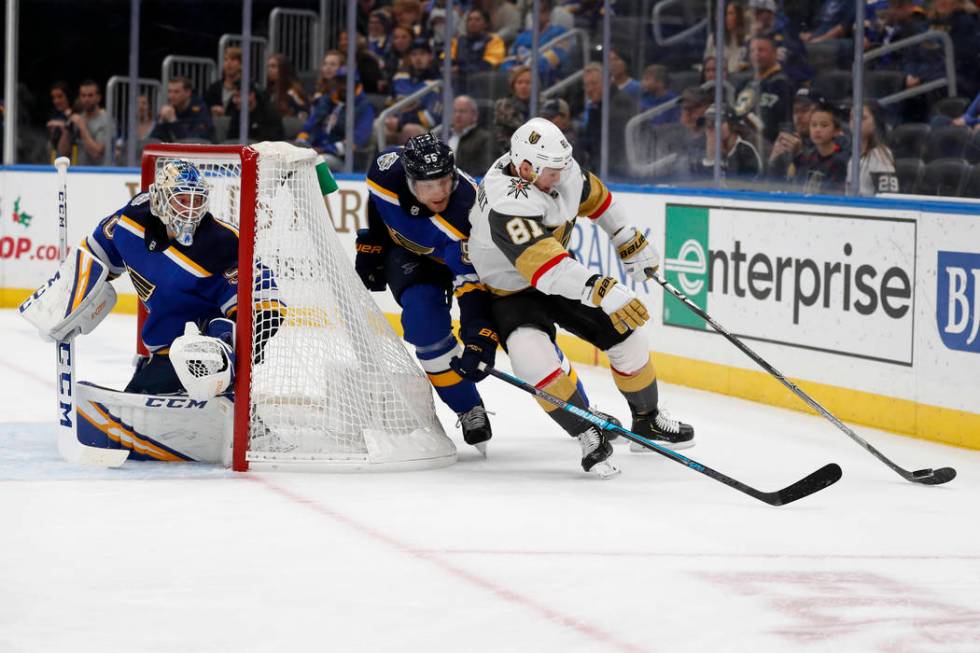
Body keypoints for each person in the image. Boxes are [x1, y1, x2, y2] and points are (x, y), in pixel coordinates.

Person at [466, 118, 695, 477]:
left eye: (562, 167)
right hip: (512, 291)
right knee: (531, 359)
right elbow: (545, 269)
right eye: (551, 171)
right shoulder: (505, 200)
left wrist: (625, 236)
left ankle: (647, 420)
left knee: (629, 333)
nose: (560, 176)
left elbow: (597, 198)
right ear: (524, 168)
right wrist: (603, 289)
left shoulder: (557, 168)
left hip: (562, 273)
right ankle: (587, 431)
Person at [356, 134, 496, 452]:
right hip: (409, 256)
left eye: (445, 182)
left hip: (463, 260)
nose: (439, 192)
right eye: (428, 186)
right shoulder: (384, 168)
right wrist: (373, 244)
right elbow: (379, 200)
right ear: (409, 179)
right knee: (423, 326)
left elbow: (472, 287)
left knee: (515, 329)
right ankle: (468, 407)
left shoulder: (468, 215)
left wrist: (479, 336)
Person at [298, 67, 376, 168]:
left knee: (319, 161)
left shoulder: (364, 107)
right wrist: (300, 144)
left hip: (340, 159)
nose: (343, 86)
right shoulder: (326, 100)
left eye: (347, 82)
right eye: (340, 81)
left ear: (356, 83)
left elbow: (355, 142)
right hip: (312, 150)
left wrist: (324, 150)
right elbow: (308, 127)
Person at [769, 101, 850, 194]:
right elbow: (792, 186)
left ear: (837, 131)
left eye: (824, 125)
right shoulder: (807, 158)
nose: (818, 130)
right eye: (814, 125)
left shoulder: (842, 161)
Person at [579, 63, 639, 178]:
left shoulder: (619, 106)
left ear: (608, 83)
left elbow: (612, 153)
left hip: (618, 175)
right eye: (586, 85)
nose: (589, 89)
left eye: (594, 84)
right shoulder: (598, 106)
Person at [735, 34, 795, 144]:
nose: (756, 54)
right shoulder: (744, 84)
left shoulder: (784, 85)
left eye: (761, 50)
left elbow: (786, 123)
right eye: (752, 50)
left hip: (768, 146)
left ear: (774, 53)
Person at [501, 0, 569, 86]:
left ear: (549, 13)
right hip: (521, 79)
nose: (537, 15)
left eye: (542, 11)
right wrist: (510, 68)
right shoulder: (522, 36)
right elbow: (508, 60)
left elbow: (551, 60)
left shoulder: (559, 33)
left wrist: (524, 69)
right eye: (534, 11)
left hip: (547, 80)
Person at [693, 103, 762, 181]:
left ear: (732, 125)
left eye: (717, 122)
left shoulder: (745, 151)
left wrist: (712, 160)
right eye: (707, 123)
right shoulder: (698, 149)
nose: (710, 127)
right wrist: (710, 159)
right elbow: (696, 182)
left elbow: (738, 185)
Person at [56, 79, 115, 166]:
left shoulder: (106, 120)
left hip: (101, 174)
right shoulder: (78, 117)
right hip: (79, 173)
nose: (86, 99)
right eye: (83, 95)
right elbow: (63, 153)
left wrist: (82, 127)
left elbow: (97, 153)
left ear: (98, 98)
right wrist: (66, 130)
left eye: (90, 95)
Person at [847, 100, 899, 196]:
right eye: (852, 117)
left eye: (862, 118)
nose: (855, 122)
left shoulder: (880, 155)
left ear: (876, 122)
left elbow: (887, 197)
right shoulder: (853, 158)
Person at [149, 77, 215, 143]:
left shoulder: (200, 110)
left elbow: (192, 142)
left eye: (176, 92)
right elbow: (152, 140)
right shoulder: (169, 109)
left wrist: (173, 121)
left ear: (188, 93)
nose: (171, 96)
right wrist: (161, 122)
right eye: (169, 91)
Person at [453, 7, 507, 77]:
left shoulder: (494, 40)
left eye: (477, 20)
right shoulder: (457, 41)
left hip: (483, 82)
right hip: (457, 82)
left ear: (486, 24)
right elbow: (445, 61)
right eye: (470, 20)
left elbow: (487, 66)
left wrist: (461, 70)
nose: (473, 22)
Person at [448, 95, 494, 177]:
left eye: (462, 111)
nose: (458, 115)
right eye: (455, 111)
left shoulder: (485, 139)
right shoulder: (444, 136)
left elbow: (484, 169)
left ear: (474, 116)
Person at [493, 65, 532, 155]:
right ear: (513, 85)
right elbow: (501, 137)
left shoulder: (544, 105)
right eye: (519, 82)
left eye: (528, 83)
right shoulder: (503, 106)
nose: (523, 86)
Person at [265, 54, 309, 120]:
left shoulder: (292, 91)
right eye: (268, 67)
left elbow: (304, 112)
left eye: (273, 66)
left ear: (283, 69)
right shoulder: (268, 90)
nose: (269, 70)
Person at [205, 47, 242, 117]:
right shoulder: (214, 87)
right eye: (225, 60)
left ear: (240, 64)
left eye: (233, 59)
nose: (228, 63)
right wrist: (211, 110)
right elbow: (204, 108)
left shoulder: (247, 88)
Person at [45, 81, 73, 161]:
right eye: (54, 98)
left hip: (72, 167)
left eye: (60, 96)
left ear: (68, 96)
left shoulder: (77, 115)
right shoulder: (53, 116)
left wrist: (64, 126)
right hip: (53, 163)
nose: (56, 101)